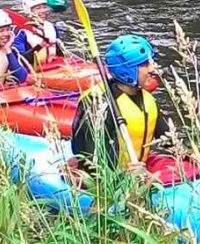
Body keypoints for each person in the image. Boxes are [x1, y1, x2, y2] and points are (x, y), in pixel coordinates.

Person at [71, 34, 168, 173]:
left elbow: (169, 140)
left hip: (140, 169)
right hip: (111, 177)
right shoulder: (99, 105)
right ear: (127, 71)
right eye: (145, 64)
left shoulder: (148, 100)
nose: (152, 69)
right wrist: (126, 177)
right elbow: (92, 162)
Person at [13, 0, 64, 68]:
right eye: (38, 8)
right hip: (31, 70)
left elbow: (59, 53)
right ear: (28, 11)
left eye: (44, 7)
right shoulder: (20, 31)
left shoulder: (51, 26)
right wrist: (40, 46)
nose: (43, 11)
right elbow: (19, 60)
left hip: (52, 67)